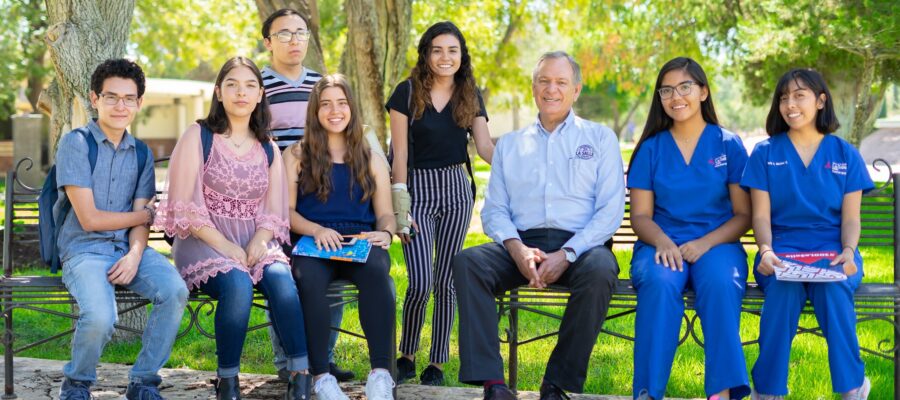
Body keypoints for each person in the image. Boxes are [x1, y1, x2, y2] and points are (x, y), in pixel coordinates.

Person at [451, 51, 624, 400]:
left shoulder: (600, 138)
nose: (551, 89)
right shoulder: (511, 145)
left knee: (602, 269)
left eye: (561, 82)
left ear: (575, 90)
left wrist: (568, 252)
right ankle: (494, 385)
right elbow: (496, 210)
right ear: (533, 88)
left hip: (582, 247)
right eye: (544, 81)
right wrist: (516, 249)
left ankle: (556, 385)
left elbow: (610, 211)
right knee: (468, 262)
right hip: (522, 243)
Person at [155, 56, 312, 400]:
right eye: (232, 85)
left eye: (250, 86)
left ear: (260, 95)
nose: (241, 92)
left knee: (283, 284)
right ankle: (227, 380)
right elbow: (186, 207)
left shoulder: (267, 146)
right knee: (238, 286)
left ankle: (301, 375)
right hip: (204, 240)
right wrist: (227, 248)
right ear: (219, 92)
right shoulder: (199, 136)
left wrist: (260, 239)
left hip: (253, 241)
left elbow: (273, 211)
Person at [55, 58, 188, 400]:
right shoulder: (77, 143)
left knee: (174, 290)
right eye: (111, 97)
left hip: (127, 249)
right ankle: (77, 383)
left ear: (139, 103)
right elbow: (91, 219)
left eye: (129, 98)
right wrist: (142, 217)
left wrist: (134, 254)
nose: (120, 105)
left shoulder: (142, 153)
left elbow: (142, 215)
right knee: (101, 315)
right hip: (83, 249)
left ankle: (143, 382)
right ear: (94, 99)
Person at [740, 68, 873, 400]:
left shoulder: (845, 154)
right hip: (780, 250)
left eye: (799, 95)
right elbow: (760, 215)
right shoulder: (765, 153)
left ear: (820, 101)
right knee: (783, 293)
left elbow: (851, 219)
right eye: (784, 97)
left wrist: (848, 249)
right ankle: (768, 391)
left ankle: (853, 388)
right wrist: (766, 250)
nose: (790, 104)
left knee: (834, 290)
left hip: (833, 250)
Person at [627, 57, 751, 400]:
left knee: (721, 283)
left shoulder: (728, 144)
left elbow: (743, 215)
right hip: (659, 243)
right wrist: (664, 241)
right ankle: (648, 393)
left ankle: (722, 393)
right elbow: (640, 216)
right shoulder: (651, 148)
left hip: (717, 244)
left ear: (703, 92)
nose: (675, 96)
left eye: (685, 87)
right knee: (660, 281)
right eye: (666, 90)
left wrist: (705, 243)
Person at [386, 20, 494, 386]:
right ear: (426, 54)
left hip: (456, 190)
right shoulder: (406, 92)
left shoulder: (470, 94)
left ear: (462, 56)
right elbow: (398, 153)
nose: (445, 57)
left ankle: (436, 361)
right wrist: (399, 204)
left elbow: (486, 148)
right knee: (419, 281)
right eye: (437, 50)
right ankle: (406, 353)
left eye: (452, 50)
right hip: (416, 189)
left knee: (446, 281)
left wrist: (530, 158)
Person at [285, 74, 397, 400]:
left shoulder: (371, 157)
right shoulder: (296, 155)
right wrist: (316, 230)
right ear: (315, 111)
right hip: (313, 240)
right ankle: (321, 377)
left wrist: (386, 233)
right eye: (326, 104)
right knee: (308, 279)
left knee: (378, 271)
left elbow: (386, 212)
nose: (335, 111)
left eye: (342, 103)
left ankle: (380, 375)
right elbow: (286, 213)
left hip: (360, 237)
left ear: (352, 108)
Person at [259, 7, 354, 383]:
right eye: (284, 33)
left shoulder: (320, 84)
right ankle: (287, 362)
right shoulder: (257, 84)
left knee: (330, 276)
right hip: (272, 198)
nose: (294, 40)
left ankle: (322, 359)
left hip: (320, 197)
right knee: (282, 277)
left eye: (301, 32)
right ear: (268, 42)